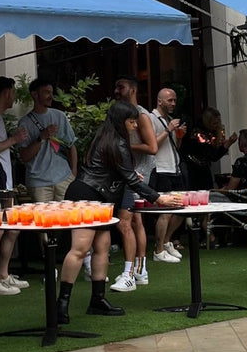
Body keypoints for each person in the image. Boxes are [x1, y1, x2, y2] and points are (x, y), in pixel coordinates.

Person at [57, 101, 182, 324]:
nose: (135, 126)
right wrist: (158, 197)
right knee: (80, 249)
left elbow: (116, 171)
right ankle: (61, 304)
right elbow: (130, 179)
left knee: (102, 247)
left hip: (100, 195)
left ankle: (98, 299)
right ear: (120, 121)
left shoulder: (105, 136)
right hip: (89, 195)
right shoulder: (116, 142)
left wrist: (129, 176)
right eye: (131, 122)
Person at [110, 76, 158, 293]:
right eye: (116, 87)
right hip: (126, 173)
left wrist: (126, 146)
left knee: (130, 221)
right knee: (133, 221)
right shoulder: (119, 111)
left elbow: (152, 147)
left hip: (139, 174)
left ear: (133, 89)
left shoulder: (141, 114)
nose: (117, 90)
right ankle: (139, 270)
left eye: (121, 86)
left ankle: (135, 271)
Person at [0, 76, 29, 294]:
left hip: (6, 184)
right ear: (6, 92)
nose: (14, 96)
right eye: (12, 91)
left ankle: (3, 273)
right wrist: (14, 139)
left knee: (11, 228)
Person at [17, 79, 77, 203]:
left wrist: (73, 173)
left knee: (67, 219)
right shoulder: (24, 123)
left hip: (64, 178)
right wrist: (41, 137)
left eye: (51, 92)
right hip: (39, 183)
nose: (51, 96)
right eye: (46, 92)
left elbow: (71, 145)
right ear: (35, 95)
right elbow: (24, 157)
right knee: (43, 220)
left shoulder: (60, 116)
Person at [148, 87, 185, 263]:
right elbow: (152, 145)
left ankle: (167, 241)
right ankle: (159, 250)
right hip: (161, 169)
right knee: (166, 212)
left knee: (180, 209)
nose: (173, 103)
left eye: (174, 100)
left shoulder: (169, 119)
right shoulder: (150, 118)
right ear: (159, 101)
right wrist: (169, 129)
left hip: (174, 167)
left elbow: (174, 147)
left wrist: (179, 135)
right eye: (170, 100)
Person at [182, 107, 238, 191]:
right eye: (214, 123)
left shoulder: (214, 132)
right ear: (208, 122)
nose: (217, 126)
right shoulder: (198, 134)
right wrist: (227, 144)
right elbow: (213, 155)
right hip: (194, 169)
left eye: (218, 123)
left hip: (205, 167)